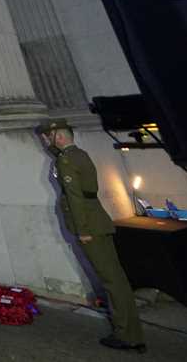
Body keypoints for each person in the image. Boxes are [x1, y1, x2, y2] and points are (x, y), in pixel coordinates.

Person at [37, 120, 146, 353]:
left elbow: (75, 197)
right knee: (115, 278)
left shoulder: (65, 160)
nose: (45, 142)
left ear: (59, 137)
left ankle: (127, 335)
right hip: (97, 222)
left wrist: (83, 229)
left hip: (90, 227)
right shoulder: (78, 154)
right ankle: (131, 332)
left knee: (111, 281)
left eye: (47, 137)